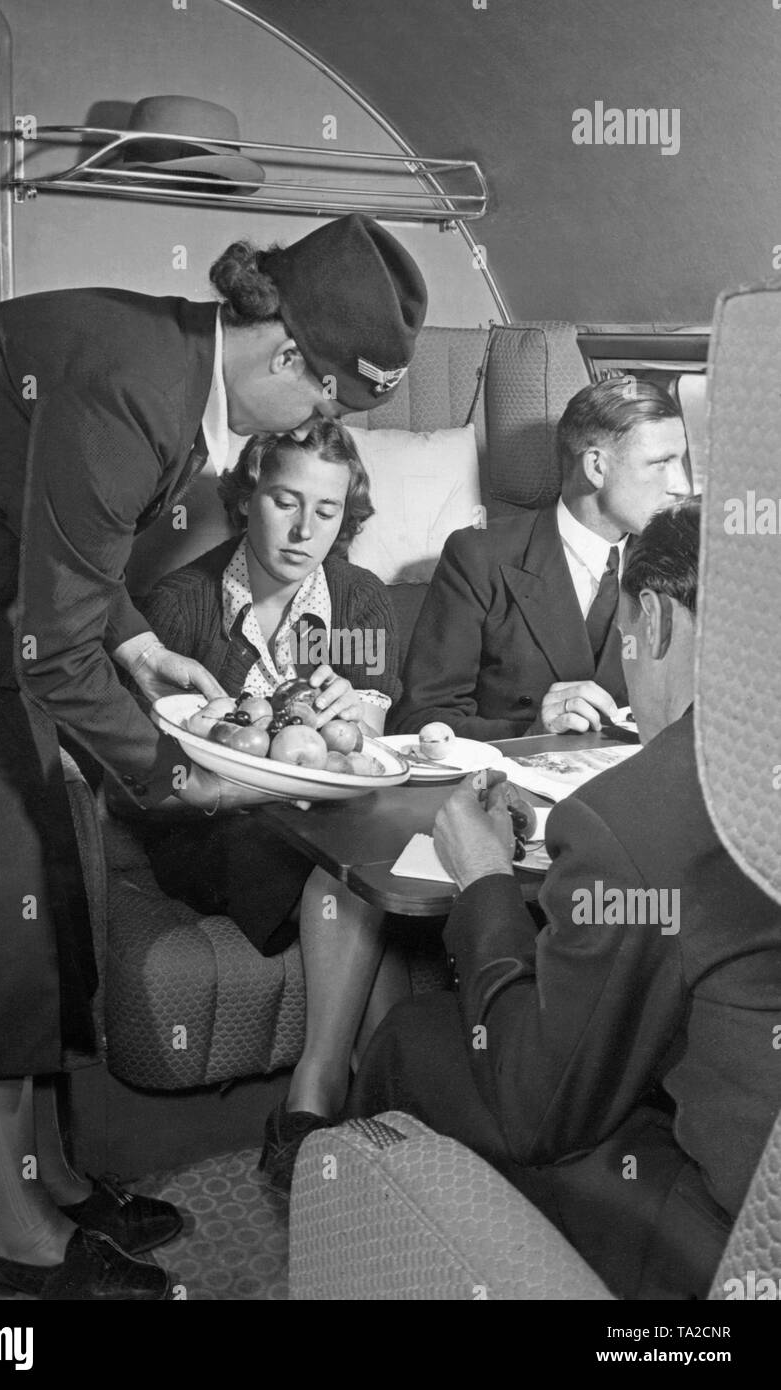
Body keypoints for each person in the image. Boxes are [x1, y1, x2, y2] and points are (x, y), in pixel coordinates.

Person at [0, 214, 427, 1298]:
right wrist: (184, 779)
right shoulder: (136, 388)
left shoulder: (177, 375)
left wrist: (135, 644)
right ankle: (11, 1230)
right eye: (324, 397)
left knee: (41, 850)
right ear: (284, 354)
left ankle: (50, 1176)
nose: (320, 419)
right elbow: (50, 643)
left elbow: (70, 551)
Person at [350, 499, 781, 1299]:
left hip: (738, 1242)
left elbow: (536, 1107)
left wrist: (482, 877)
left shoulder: (637, 813)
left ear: (650, 620)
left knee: (410, 1040)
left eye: (624, 640)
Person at [109, 421, 406, 1190]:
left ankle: (347, 1115)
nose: (305, 530)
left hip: (330, 819)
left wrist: (352, 717)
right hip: (213, 826)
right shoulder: (180, 605)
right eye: (284, 501)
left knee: (368, 862)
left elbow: (365, 746)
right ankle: (335, 1101)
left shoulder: (361, 600)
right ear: (246, 501)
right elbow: (145, 777)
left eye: (328, 511)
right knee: (355, 874)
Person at [391, 378, 690, 741]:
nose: (682, 485)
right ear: (596, 467)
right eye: (661, 463)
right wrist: (532, 733)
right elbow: (417, 724)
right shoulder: (478, 557)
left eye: (681, 462)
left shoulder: (673, 564)